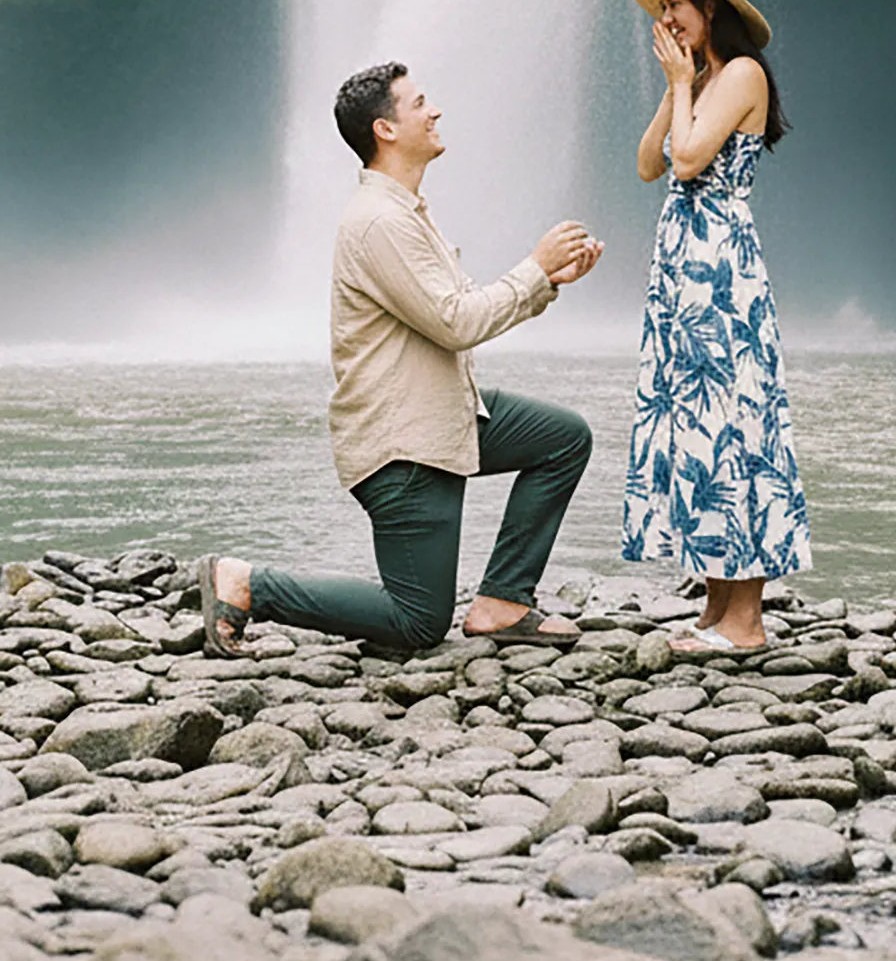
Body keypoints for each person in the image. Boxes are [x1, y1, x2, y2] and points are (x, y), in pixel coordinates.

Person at [198, 60, 604, 656]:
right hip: (403, 443)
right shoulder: (379, 223)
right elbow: (456, 323)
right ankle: (249, 584)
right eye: (418, 103)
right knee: (417, 623)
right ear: (385, 130)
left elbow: (458, 309)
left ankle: (503, 601)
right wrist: (533, 268)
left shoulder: (407, 212)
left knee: (562, 438)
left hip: (444, 414)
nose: (434, 110)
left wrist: (547, 282)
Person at [617, 0, 812, 653]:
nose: (664, 15)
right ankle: (715, 603)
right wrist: (677, 82)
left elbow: (692, 159)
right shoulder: (703, 78)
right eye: (662, 4)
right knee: (698, 425)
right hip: (685, 267)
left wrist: (682, 87)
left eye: (674, 4)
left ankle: (745, 621)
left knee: (733, 426)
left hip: (719, 269)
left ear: (711, 10)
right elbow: (648, 164)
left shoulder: (742, 73)